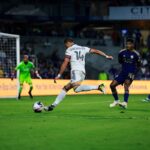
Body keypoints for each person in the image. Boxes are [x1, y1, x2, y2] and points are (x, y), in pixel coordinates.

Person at [44, 38, 113, 111]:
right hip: (82, 72)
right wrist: (106, 56)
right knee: (68, 88)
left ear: (68, 43)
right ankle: (53, 106)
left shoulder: (69, 50)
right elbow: (96, 51)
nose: (66, 47)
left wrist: (59, 75)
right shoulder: (83, 48)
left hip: (75, 71)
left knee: (73, 86)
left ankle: (99, 87)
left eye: (66, 45)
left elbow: (65, 62)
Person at [110, 38, 141, 109]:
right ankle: (116, 100)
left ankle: (125, 103)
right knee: (112, 85)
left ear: (133, 45)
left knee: (126, 85)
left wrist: (134, 73)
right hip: (123, 73)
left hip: (131, 73)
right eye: (127, 44)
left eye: (129, 44)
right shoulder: (121, 52)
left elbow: (139, 65)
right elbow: (120, 61)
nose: (127, 45)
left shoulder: (136, 54)